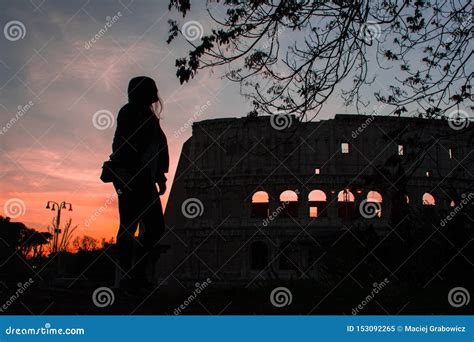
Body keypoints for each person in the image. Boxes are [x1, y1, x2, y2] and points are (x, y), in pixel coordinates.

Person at [110, 76, 169, 293]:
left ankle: (134, 274)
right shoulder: (129, 112)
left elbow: (158, 148)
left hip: (144, 177)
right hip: (130, 176)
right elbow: (121, 143)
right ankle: (129, 277)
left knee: (154, 227)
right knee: (129, 226)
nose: (156, 94)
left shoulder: (150, 117)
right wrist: (124, 171)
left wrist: (160, 175)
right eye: (152, 89)